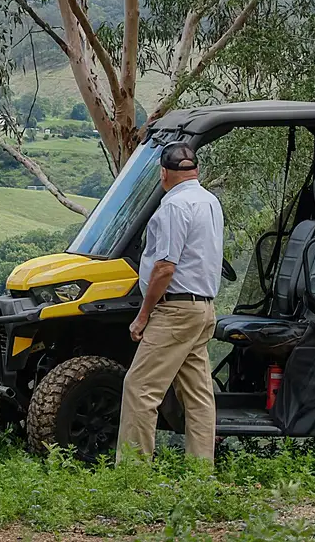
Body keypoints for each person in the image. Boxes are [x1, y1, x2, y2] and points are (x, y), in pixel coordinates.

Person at [116, 141, 224, 464]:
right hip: (203, 309)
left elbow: (165, 268)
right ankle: (201, 471)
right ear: (196, 171)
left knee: (139, 387)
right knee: (198, 394)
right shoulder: (210, 202)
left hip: (176, 311)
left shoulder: (174, 207)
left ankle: (131, 474)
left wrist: (143, 314)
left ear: (164, 174)